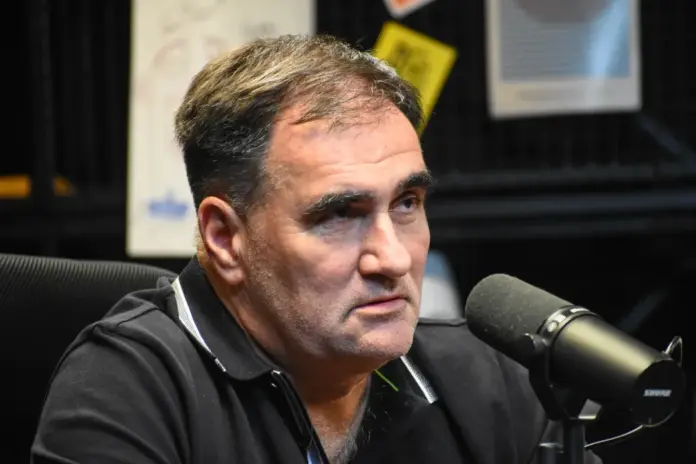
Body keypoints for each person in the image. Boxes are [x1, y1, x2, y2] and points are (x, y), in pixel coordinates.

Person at [31, 34, 601, 464]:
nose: (393, 259)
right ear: (225, 237)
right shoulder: (126, 388)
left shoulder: (489, 382)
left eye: (406, 203)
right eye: (339, 215)